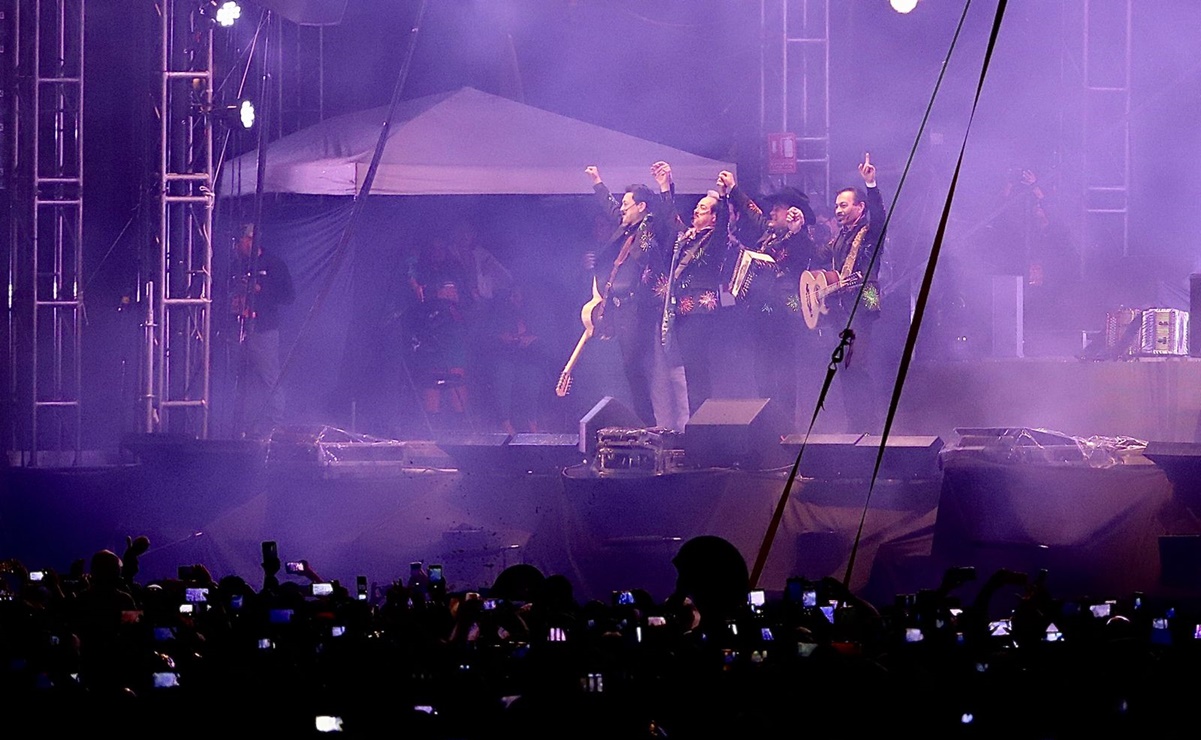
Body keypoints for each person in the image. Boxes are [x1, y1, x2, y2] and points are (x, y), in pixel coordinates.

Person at [718, 170, 816, 428]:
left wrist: (797, 232)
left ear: (794, 213)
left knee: (782, 375)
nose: (772, 212)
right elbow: (755, 215)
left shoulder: (800, 238)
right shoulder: (770, 234)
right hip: (760, 316)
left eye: (778, 208)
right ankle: (767, 427)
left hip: (784, 316)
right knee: (761, 373)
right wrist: (734, 190)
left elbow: (807, 256)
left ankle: (785, 429)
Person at [584, 165, 670, 428]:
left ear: (641, 207)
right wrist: (598, 182)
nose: (622, 208)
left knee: (638, 366)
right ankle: (643, 421)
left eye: (627, 204)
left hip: (638, 308)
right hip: (619, 309)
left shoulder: (650, 226)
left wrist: (665, 186)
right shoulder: (624, 228)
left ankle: (651, 422)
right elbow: (612, 209)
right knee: (629, 368)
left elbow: (667, 216)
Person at [811, 153, 888, 433]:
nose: (838, 210)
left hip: (862, 308)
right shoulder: (839, 238)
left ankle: (868, 428)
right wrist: (797, 233)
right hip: (841, 312)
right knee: (844, 371)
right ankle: (855, 427)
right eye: (836, 206)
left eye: (843, 205)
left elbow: (880, 216)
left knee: (857, 368)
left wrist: (871, 183)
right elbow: (815, 257)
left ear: (860, 207)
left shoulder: (870, 232)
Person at [652, 160, 734, 417]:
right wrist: (665, 186)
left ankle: (703, 421)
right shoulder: (686, 237)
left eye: (704, 208)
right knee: (688, 369)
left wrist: (723, 195)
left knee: (698, 369)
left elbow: (723, 223)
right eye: (697, 207)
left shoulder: (715, 240)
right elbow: (670, 218)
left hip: (701, 313)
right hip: (682, 313)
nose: (697, 210)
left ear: (713, 216)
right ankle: (697, 419)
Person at [231, 224, 295, 438]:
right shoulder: (238, 264)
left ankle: (275, 425)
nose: (237, 246)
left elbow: (288, 297)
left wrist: (262, 290)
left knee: (269, 377)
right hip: (241, 328)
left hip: (264, 329)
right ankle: (251, 424)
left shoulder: (274, 264)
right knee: (249, 379)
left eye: (239, 241)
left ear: (249, 240)